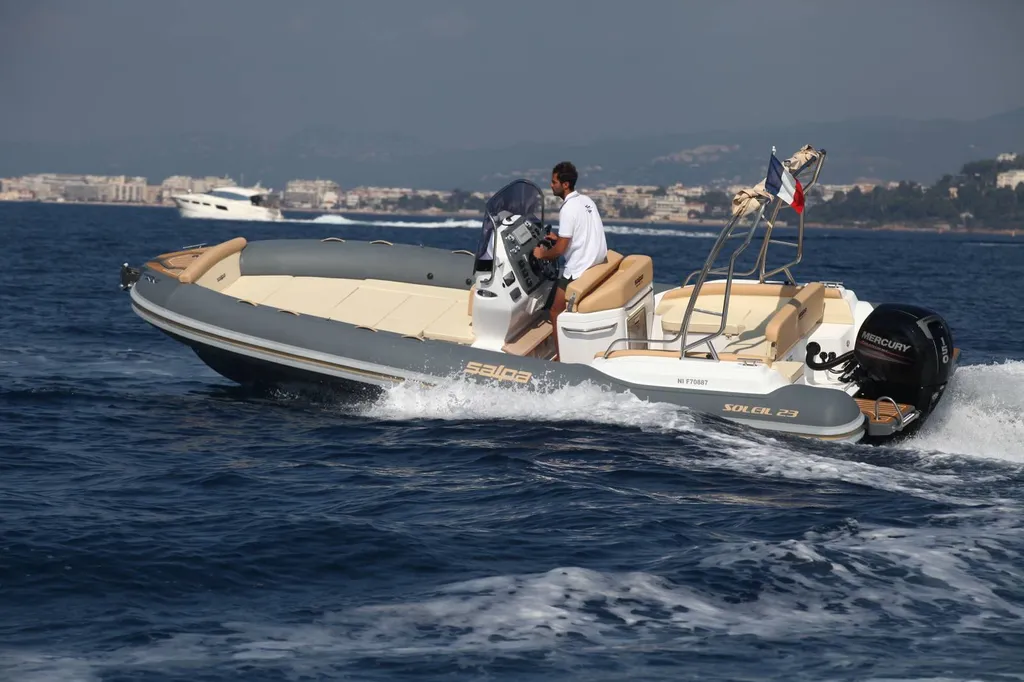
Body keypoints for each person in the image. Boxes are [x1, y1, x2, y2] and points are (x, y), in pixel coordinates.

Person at [532, 161, 608, 357]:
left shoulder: (567, 209)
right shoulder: (586, 201)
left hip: (579, 269)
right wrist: (558, 239)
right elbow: (580, 234)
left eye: (554, 181)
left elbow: (559, 251)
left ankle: (561, 358)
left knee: (555, 311)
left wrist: (542, 254)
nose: (551, 185)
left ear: (565, 185)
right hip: (596, 263)